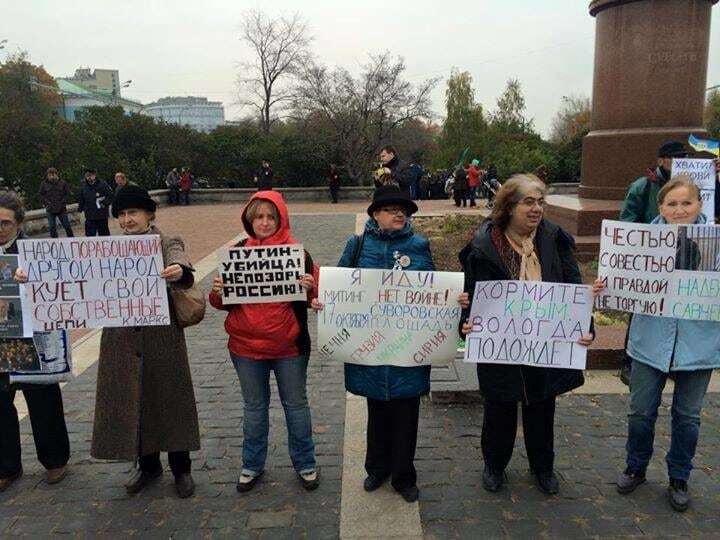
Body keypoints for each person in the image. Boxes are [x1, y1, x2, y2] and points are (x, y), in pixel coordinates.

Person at [313, 185, 468, 503]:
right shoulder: (357, 245)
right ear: (375, 214)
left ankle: (403, 475)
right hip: (370, 350)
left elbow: (433, 289)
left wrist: (456, 300)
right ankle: (377, 468)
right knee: (377, 411)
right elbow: (338, 286)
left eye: (404, 210)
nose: (399, 213)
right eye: (391, 209)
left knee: (406, 414)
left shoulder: (420, 245)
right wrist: (322, 300)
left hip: (408, 347)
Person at [459, 174, 594, 495]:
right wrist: (465, 321)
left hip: (544, 343)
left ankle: (542, 467)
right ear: (508, 205)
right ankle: (494, 465)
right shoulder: (483, 246)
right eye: (528, 202)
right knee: (499, 410)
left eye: (541, 201)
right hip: (501, 345)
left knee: (542, 408)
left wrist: (585, 326)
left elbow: (572, 285)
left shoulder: (552, 239)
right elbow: (470, 294)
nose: (536, 209)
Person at [594, 176, 720, 513]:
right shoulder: (638, 242)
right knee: (640, 412)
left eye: (687, 203)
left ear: (699, 205)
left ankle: (679, 476)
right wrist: (606, 284)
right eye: (672, 204)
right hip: (650, 342)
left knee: (688, 417)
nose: (679, 210)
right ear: (661, 207)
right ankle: (635, 465)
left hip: (699, 346)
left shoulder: (716, 243)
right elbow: (621, 285)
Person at [90, 185, 200, 498]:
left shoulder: (167, 241)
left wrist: (179, 271)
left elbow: (183, 265)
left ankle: (182, 468)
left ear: (149, 214)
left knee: (170, 398)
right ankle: (148, 466)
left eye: (132, 212)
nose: (126, 220)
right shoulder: (109, 248)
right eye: (121, 214)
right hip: (122, 337)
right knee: (134, 401)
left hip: (161, 335)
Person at [209, 190, 319, 493]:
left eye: (272, 216)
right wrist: (218, 290)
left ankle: (305, 462)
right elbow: (219, 303)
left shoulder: (299, 254)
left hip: (289, 347)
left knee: (296, 406)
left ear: (281, 219)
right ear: (249, 219)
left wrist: (310, 288)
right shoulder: (237, 253)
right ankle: (252, 464)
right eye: (259, 216)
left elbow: (319, 297)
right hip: (245, 348)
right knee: (254, 408)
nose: (265, 222)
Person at [1, 192, 70, 491]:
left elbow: (59, 289)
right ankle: (7, 466)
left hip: (31, 337)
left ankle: (55, 460)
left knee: (43, 400)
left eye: (5, 222)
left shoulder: (35, 251)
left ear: (18, 222)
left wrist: (33, 281)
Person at [617, 141, 689, 384]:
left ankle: (670, 361)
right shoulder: (642, 186)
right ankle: (629, 361)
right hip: (649, 259)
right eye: (675, 158)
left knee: (674, 307)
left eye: (684, 157)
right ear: (662, 160)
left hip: (682, 257)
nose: (680, 162)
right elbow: (626, 222)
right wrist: (654, 236)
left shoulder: (691, 188)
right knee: (641, 308)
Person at [38, 167, 74, 238]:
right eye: (50, 175)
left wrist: (63, 202)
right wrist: (46, 203)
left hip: (61, 208)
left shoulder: (63, 183)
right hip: (50, 209)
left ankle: (71, 240)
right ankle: (55, 242)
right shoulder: (44, 184)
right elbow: (40, 195)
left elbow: (68, 194)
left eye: (53, 175)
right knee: (52, 227)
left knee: (67, 226)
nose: (51, 176)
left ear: (56, 175)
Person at [77, 168, 113, 237]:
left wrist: (104, 203)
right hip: (89, 215)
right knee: (90, 237)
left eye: (90, 175)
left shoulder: (103, 184)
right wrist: (80, 209)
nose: (89, 177)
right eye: (87, 176)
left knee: (104, 236)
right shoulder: (83, 186)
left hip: (101, 215)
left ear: (94, 175)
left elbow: (110, 195)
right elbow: (81, 199)